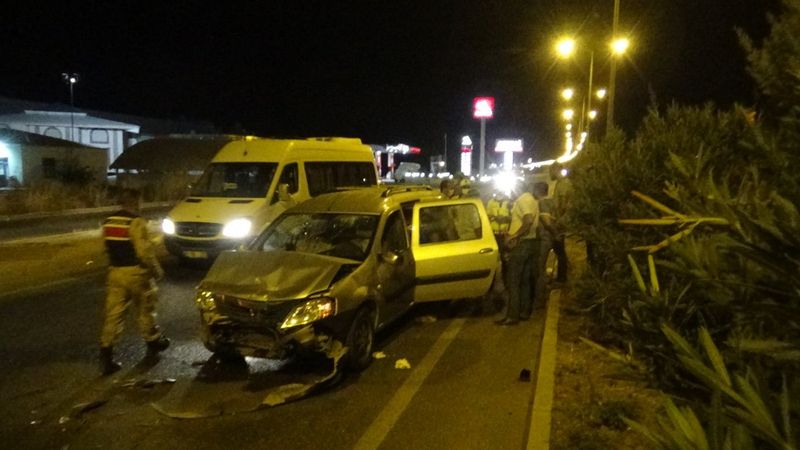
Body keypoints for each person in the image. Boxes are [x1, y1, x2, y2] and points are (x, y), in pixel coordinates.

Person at [99, 188, 169, 375]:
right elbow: (144, 252)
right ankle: (153, 341)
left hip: (115, 272)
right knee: (146, 307)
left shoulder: (109, 222)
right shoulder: (136, 222)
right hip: (135, 273)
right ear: (135, 202)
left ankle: (106, 352)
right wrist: (156, 270)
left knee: (114, 313)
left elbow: (105, 247)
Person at [496, 178, 539, 325]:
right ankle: (523, 312)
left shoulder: (522, 200)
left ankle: (512, 315)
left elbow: (528, 220)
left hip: (521, 245)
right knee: (525, 281)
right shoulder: (531, 199)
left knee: (513, 281)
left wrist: (515, 235)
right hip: (530, 243)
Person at [549, 163, 572, 283]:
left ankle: (562, 278)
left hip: (561, 222)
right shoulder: (560, 183)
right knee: (559, 250)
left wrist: (558, 221)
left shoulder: (563, 184)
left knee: (559, 250)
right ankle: (562, 276)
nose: (549, 174)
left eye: (550, 171)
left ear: (556, 170)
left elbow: (562, 204)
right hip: (561, 220)